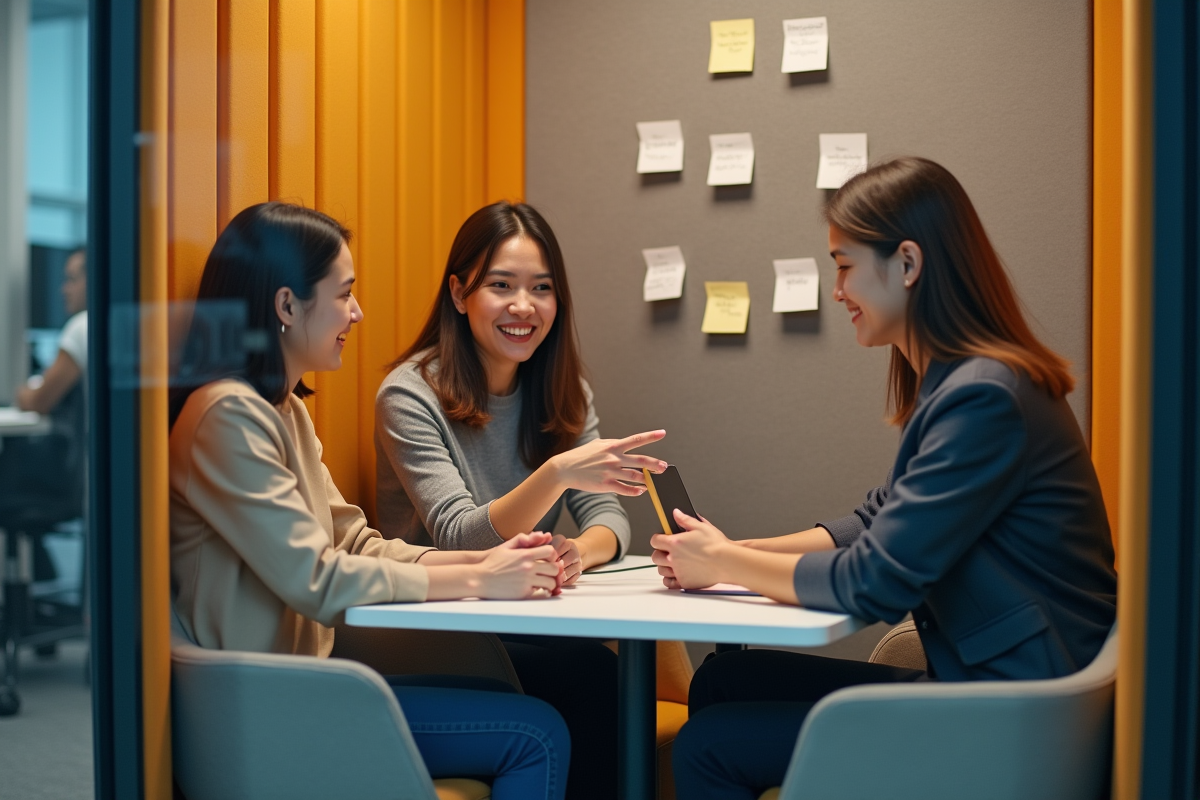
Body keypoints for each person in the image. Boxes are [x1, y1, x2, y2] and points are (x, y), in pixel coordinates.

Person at [652, 157, 1118, 800]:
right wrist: (737, 550)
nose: (837, 290)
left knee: (708, 746)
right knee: (723, 682)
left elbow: (873, 583)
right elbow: (873, 521)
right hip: (991, 686)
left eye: (844, 266)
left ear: (907, 263)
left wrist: (726, 563)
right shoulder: (962, 382)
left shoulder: (984, 397)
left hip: (1017, 714)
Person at [169, 202, 571, 800]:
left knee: (513, 699)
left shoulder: (283, 411)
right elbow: (316, 579)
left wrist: (488, 562)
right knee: (536, 735)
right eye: (344, 294)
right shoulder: (226, 417)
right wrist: (480, 579)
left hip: (306, 687)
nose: (356, 313)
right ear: (286, 306)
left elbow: (354, 543)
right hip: (261, 711)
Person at [374, 200, 666, 800]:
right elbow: (460, 534)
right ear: (459, 294)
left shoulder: (562, 390)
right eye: (501, 286)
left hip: (522, 615)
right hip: (437, 628)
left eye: (541, 288)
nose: (524, 306)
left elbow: (609, 517)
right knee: (593, 677)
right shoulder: (408, 395)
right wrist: (556, 473)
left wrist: (578, 552)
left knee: (607, 676)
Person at [18, 247, 87, 415]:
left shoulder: (81, 325)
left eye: (72, 279)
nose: (64, 289)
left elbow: (38, 401)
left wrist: (22, 394)